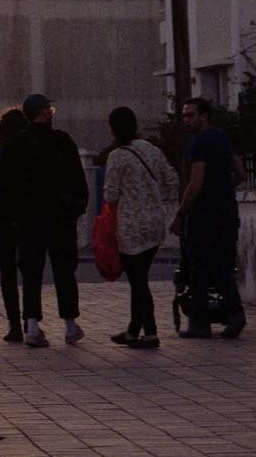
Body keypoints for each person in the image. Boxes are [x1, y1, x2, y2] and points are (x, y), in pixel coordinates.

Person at [0, 94, 89, 347]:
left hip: (29, 221)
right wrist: (76, 208)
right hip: (60, 219)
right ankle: (70, 325)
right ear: (45, 112)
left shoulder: (15, 147)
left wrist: (14, 217)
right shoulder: (62, 141)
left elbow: (7, 187)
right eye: (50, 108)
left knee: (31, 273)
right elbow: (77, 180)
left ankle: (32, 327)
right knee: (64, 272)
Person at [101, 106, 178, 348]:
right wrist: (156, 198)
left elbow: (111, 195)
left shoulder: (117, 156)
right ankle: (134, 330)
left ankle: (151, 333)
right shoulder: (151, 149)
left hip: (131, 228)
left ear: (113, 128)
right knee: (139, 277)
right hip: (155, 223)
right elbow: (172, 179)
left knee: (138, 281)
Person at [176, 98, 246, 339]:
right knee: (223, 266)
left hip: (204, 215)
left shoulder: (199, 143)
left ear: (203, 116)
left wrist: (181, 214)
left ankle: (200, 324)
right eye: (184, 116)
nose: (186, 120)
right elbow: (240, 173)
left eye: (190, 115)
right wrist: (223, 189)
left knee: (199, 268)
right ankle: (236, 314)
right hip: (227, 212)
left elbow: (195, 184)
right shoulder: (222, 138)